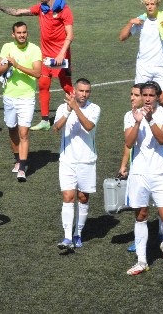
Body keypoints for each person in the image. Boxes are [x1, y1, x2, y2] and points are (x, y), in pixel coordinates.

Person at [0, 0, 73, 130]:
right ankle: (45, 121)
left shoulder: (64, 11)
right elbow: (18, 12)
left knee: (65, 85)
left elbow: (70, 35)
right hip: (46, 54)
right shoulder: (41, 8)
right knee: (43, 84)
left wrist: (62, 54)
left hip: (61, 55)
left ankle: (81, 107)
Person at [123, 81, 163, 275]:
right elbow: (129, 143)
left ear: (158, 97)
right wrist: (138, 122)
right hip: (139, 174)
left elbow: (162, 139)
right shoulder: (130, 115)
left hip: (160, 174)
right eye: (144, 95)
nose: (147, 99)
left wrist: (150, 119)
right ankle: (141, 260)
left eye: (151, 95)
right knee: (141, 216)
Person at [52, 79, 100, 250]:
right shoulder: (62, 107)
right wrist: (68, 110)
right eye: (81, 91)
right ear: (75, 90)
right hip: (67, 161)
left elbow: (88, 126)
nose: (84, 94)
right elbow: (56, 128)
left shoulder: (94, 109)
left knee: (83, 197)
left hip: (87, 160)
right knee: (68, 197)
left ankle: (78, 233)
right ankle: (67, 237)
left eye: (87, 91)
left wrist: (76, 108)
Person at [0, 21, 42, 182]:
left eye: (24, 32)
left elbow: (37, 73)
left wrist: (17, 65)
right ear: (13, 34)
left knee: (24, 133)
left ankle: (22, 167)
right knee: (12, 129)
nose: (22, 35)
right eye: (19, 33)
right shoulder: (7, 47)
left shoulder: (34, 49)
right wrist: (7, 65)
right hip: (9, 96)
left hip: (26, 98)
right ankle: (17, 158)